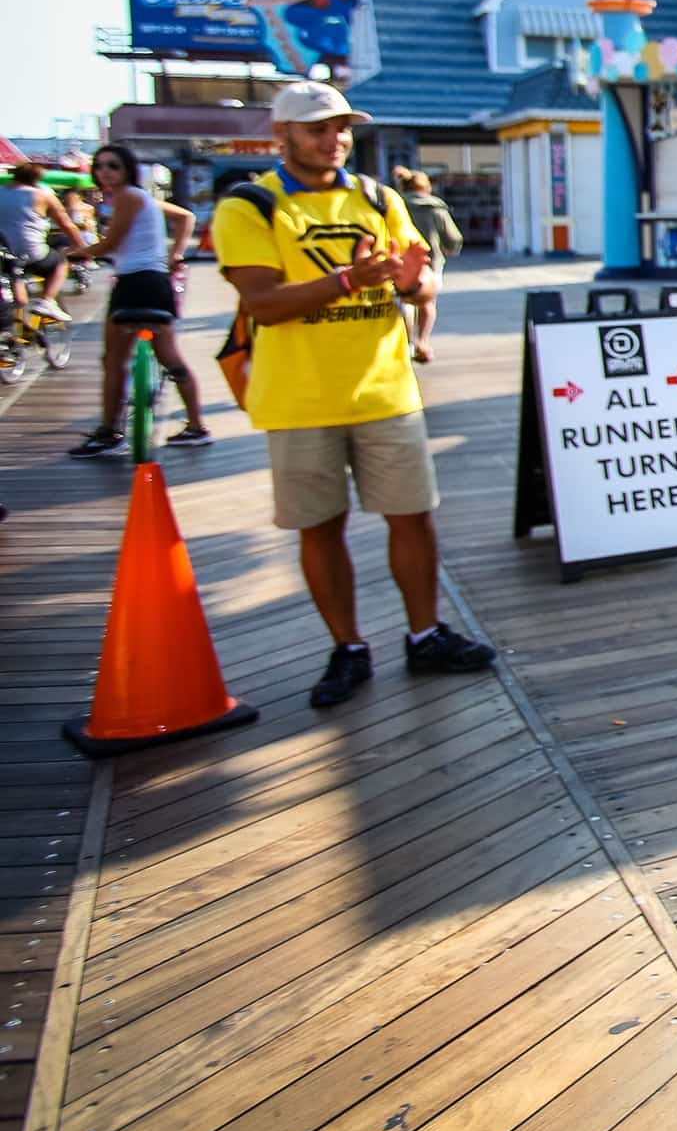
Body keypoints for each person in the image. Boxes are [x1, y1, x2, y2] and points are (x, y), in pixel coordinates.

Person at [212, 82, 496, 708]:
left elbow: (417, 288)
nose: (334, 139)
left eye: (342, 127)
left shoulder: (377, 196)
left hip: (386, 390)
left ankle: (425, 635)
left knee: (413, 517)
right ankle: (347, 647)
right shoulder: (250, 206)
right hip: (299, 398)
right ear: (280, 133)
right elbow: (262, 303)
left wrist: (415, 282)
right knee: (320, 527)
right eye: (317, 128)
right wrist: (348, 278)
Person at [67, 144, 210, 456]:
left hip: (134, 282)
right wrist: (174, 255)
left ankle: (108, 432)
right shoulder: (143, 197)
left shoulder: (128, 197)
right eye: (101, 165)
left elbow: (111, 243)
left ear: (127, 170)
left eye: (113, 166)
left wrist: (75, 254)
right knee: (171, 358)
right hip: (158, 282)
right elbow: (185, 217)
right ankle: (198, 427)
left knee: (114, 360)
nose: (105, 172)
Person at [392, 167, 465, 364]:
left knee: (404, 302)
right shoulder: (436, 208)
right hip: (430, 263)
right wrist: (449, 249)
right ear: (426, 187)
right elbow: (454, 238)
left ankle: (406, 343)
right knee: (426, 302)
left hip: (400, 263)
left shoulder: (394, 205)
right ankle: (422, 341)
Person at [0, 162, 80, 323]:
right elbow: (67, 224)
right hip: (30, 253)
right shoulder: (42, 195)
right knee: (60, 261)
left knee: (13, 272)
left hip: (3, 254)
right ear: (37, 179)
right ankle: (47, 300)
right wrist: (81, 247)